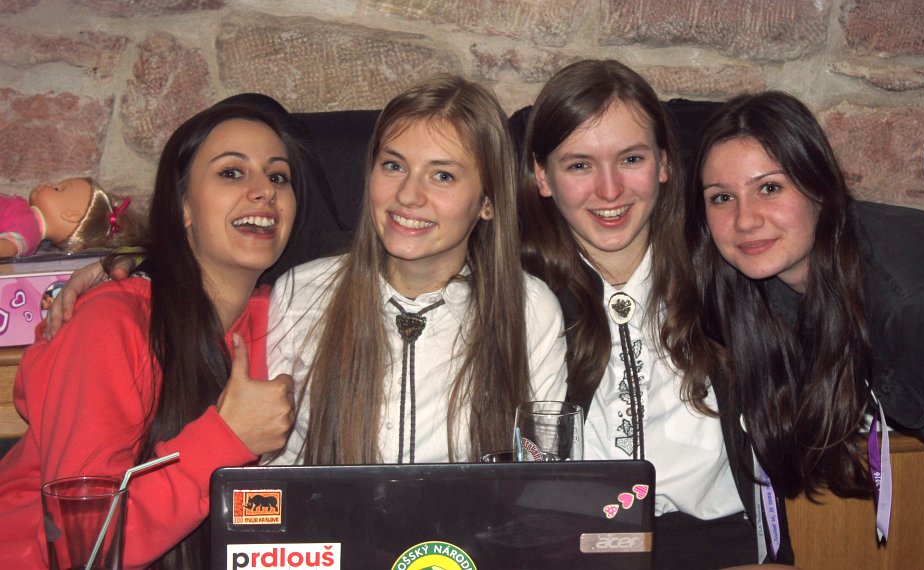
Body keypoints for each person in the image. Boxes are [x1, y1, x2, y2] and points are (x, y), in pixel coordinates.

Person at [687, 90, 924, 570]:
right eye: (722, 197)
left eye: (770, 188)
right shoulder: (770, 277)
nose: (744, 220)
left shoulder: (919, 307)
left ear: (820, 188)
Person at [519, 59, 800, 569]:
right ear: (542, 175)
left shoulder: (725, 272)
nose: (609, 191)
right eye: (579, 165)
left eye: (631, 159)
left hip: (721, 543)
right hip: (577, 549)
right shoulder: (518, 298)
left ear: (665, 163)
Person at [0, 102, 299, 569]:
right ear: (183, 207)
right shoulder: (111, 323)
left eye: (278, 177)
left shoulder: (285, 316)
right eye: (231, 173)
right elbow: (86, 545)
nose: (265, 191)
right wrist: (227, 437)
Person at [265, 74, 566, 466]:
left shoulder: (531, 309)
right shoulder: (300, 293)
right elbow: (272, 470)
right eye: (393, 166)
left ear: (487, 203)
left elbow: (541, 474)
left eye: (442, 175)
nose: (408, 195)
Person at [0, 177, 144, 257]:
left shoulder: (29, 228)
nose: (49, 184)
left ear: (70, 215)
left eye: (57, 189)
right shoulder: (26, 215)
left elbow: (9, 247)